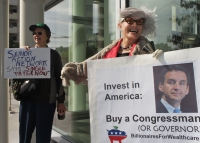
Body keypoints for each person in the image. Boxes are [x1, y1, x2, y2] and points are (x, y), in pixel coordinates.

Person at [60, 6, 163, 86]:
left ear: (143, 27)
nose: (135, 25)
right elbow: (89, 65)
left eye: (139, 22)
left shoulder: (147, 50)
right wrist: (71, 69)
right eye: (130, 21)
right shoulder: (110, 50)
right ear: (120, 25)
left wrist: (162, 62)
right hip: (113, 104)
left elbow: (160, 77)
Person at [20, 23, 66, 143]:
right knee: (24, 138)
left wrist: (60, 101)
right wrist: (20, 54)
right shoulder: (26, 52)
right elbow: (17, 73)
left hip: (46, 103)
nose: (36, 35)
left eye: (40, 33)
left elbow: (59, 78)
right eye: (34, 33)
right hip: (27, 101)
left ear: (47, 36)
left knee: (43, 138)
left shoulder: (54, 55)